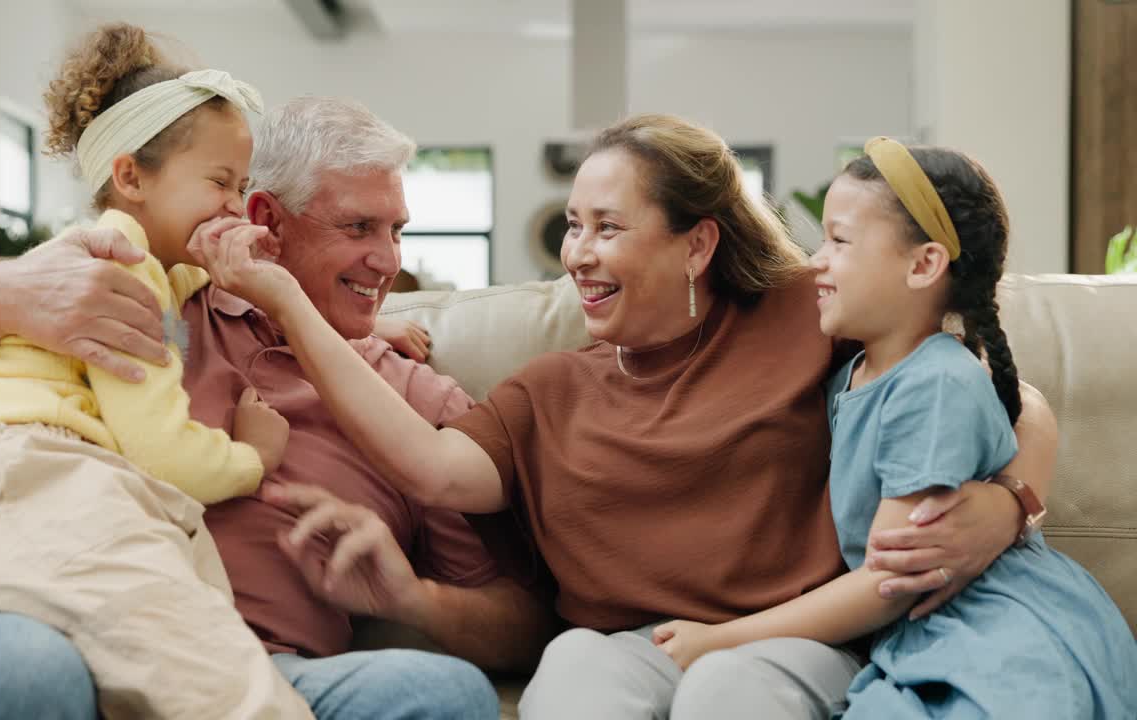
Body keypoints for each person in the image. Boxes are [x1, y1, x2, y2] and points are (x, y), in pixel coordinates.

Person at [191, 113, 1061, 720]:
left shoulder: (808, 310)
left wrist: (1007, 503)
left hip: (787, 637)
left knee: (731, 693)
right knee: (572, 673)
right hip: (616, 641)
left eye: (608, 226)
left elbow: (998, 393)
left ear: (697, 243)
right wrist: (287, 303)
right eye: (573, 226)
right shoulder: (550, 391)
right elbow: (431, 469)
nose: (578, 254)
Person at [0, 89, 542, 720]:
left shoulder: (417, 400)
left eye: (397, 230)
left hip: (257, 671)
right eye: (359, 227)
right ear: (264, 220)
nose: (387, 260)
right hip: (42, 632)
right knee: (20, 669)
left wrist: (414, 600)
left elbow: (521, 621)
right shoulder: (149, 297)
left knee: (442, 694)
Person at [652, 138, 1137, 717]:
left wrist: (722, 638)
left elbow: (891, 579)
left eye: (840, 240)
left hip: (996, 634)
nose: (816, 261)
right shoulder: (853, 371)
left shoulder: (934, 384)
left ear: (924, 264)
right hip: (924, 636)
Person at [0, 23, 313, 719]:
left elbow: (203, 278)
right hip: (42, 485)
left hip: (40, 498)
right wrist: (253, 455)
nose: (233, 203)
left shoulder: (134, 260)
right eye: (220, 182)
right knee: (226, 685)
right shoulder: (120, 266)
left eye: (243, 185)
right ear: (131, 177)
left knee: (197, 654)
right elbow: (161, 452)